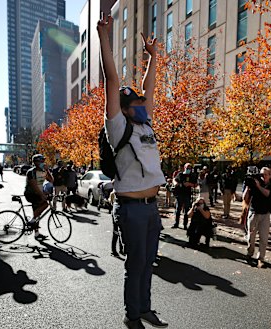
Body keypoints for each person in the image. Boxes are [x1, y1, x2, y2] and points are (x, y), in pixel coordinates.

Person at [98, 14, 168, 329]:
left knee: (147, 263)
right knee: (135, 263)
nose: (142, 103)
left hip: (151, 208)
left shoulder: (145, 122)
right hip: (131, 209)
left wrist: (154, 58)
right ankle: (133, 315)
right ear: (123, 109)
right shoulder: (117, 126)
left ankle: (146, 308)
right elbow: (113, 80)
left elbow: (149, 87)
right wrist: (104, 36)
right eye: (135, 102)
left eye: (141, 100)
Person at [243, 167, 271, 268]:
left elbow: (267, 194)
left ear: (270, 175)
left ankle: (261, 258)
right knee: (251, 237)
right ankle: (250, 252)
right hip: (254, 213)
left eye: (265, 174)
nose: (263, 176)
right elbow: (245, 199)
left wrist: (258, 186)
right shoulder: (254, 183)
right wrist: (248, 187)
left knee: (264, 239)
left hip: (265, 215)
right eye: (261, 174)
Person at [24, 154, 54, 241]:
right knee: (45, 205)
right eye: (41, 161)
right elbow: (34, 186)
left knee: (38, 213)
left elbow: (51, 180)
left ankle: (36, 233)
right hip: (31, 193)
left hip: (39, 193)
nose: (43, 163)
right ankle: (32, 221)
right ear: (36, 162)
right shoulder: (31, 172)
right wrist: (42, 195)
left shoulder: (43, 171)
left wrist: (48, 171)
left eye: (43, 161)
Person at [173, 163, 197, 229]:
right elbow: (174, 179)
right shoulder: (180, 174)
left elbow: (196, 185)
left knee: (186, 210)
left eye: (189, 168)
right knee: (178, 209)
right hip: (180, 194)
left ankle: (185, 225)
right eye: (187, 168)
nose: (188, 169)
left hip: (187, 194)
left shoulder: (192, 176)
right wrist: (176, 183)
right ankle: (176, 223)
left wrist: (190, 184)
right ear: (184, 168)